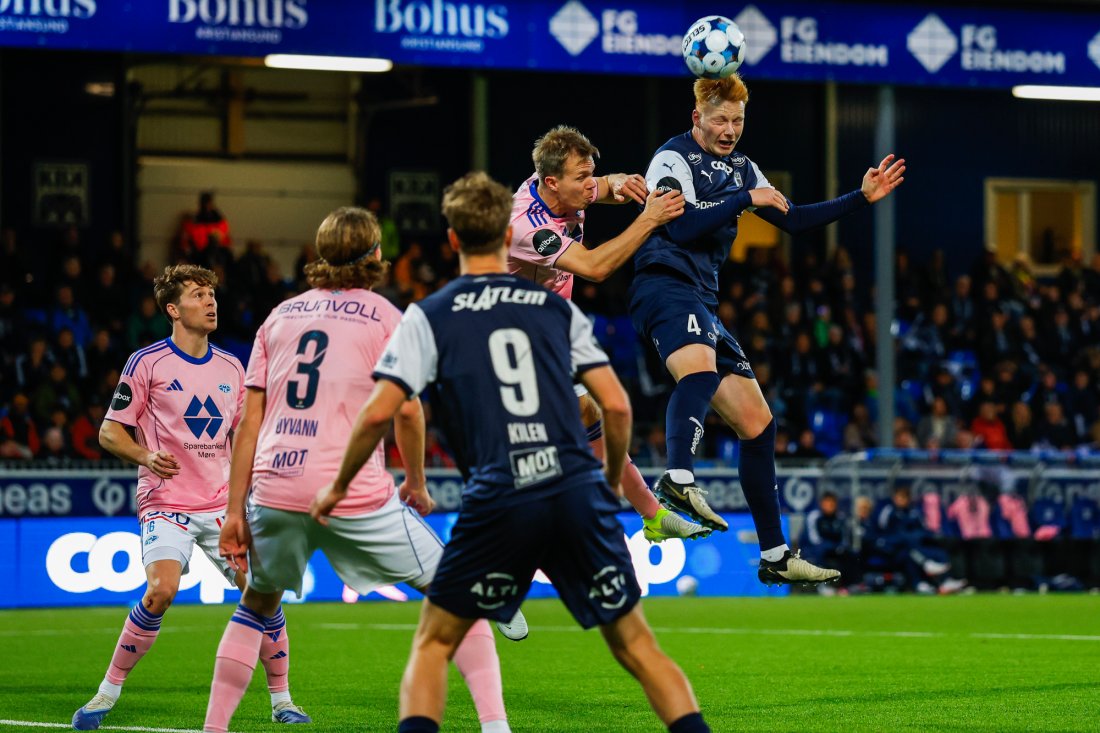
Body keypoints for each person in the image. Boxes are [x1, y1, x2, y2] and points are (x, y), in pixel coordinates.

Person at [311, 171, 711, 733]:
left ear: (452, 239)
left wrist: (336, 486)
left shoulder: (428, 315)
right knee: (638, 648)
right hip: (575, 493)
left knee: (433, 644)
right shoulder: (557, 311)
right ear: (509, 232)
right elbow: (617, 408)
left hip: (498, 497)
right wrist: (611, 479)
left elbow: (382, 412)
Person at [204, 207, 515, 733]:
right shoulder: (389, 317)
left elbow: (247, 425)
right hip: (347, 490)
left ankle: (213, 729)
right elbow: (409, 410)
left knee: (256, 604)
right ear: (374, 256)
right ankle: (496, 726)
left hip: (274, 488)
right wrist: (415, 482)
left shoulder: (278, 317)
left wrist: (235, 510)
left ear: (320, 255)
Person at [629, 74, 904, 585]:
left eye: (737, 120)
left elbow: (793, 219)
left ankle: (775, 555)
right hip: (663, 285)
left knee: (758, 422)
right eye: (720, 120)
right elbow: (683, 225)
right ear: (697, 118)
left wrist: (860, 199)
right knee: (700, 371)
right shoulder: (671, 159)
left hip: (702, 299)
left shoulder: (744, 168)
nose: (730, 129)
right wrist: (742, 199)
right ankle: (678, 477)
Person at [72, 264, 306, 730]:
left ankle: (283, 701)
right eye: (199, 295)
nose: (211, 302)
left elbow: (244, 436)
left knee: (262, 594)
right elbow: (109, 432)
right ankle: (105, 693)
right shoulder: (147, 363)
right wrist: (146, 455)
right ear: (173, 309)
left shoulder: (231, 367)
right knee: (161, 590)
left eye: (212, 294)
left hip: (220, 504)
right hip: (166, 500)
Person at [507, 125, 705, 543]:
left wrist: (622, 183)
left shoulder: (566, 187)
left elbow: (607, 187)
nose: (588, 185)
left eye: (588, 173)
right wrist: (649, 219)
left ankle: (651, 515)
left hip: (548, 332)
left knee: (589, 414)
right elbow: (596, 268)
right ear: (551, 182)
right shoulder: (528, 225)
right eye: (582, 178)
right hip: (511, 340)